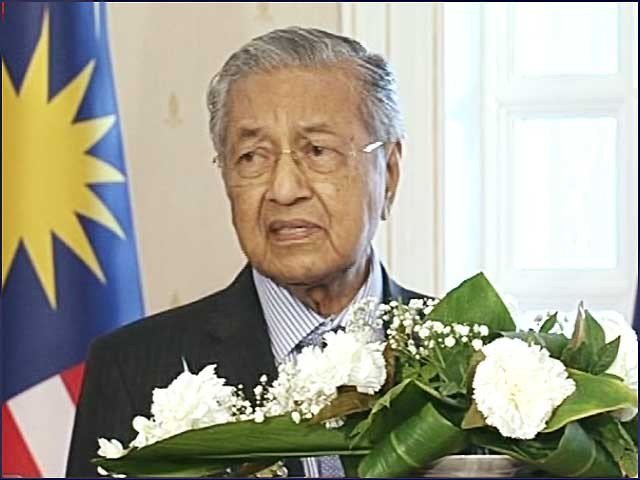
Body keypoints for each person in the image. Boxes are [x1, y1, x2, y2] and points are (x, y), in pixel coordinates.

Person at [66, 27, 430, 478]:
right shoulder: (133, 370)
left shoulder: (487, 364)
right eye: (252, 157)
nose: (284, 189)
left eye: (318, 151)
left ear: (389, 172)